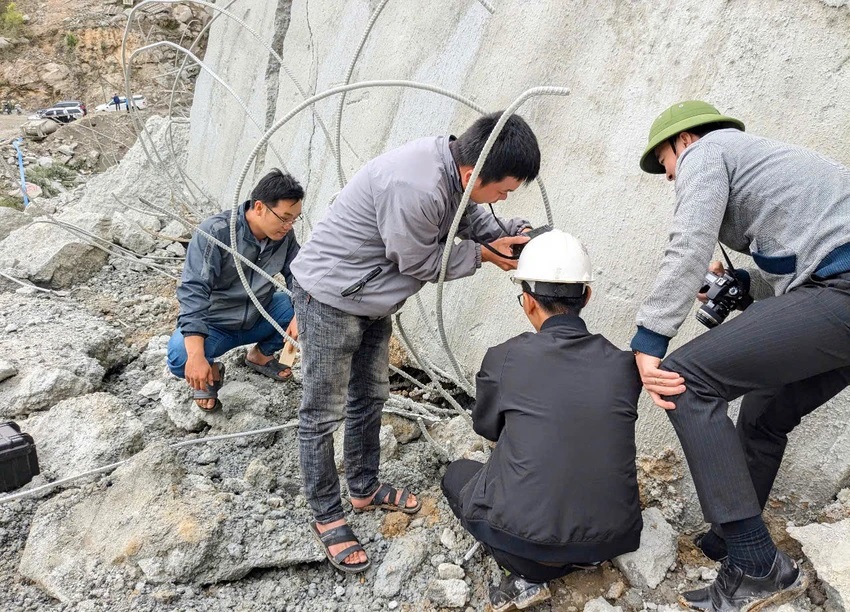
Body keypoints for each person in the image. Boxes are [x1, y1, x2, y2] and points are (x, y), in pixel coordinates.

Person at [290, 111, 540, 573]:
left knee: (370, 396)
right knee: (321, 413)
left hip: (368, 299)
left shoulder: (453, 170)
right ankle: (327, 514)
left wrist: (509, 234)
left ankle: (362, 488)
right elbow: (419, 261)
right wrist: (484, 255)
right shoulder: (416, 186)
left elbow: (471, 217)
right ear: (473, 173)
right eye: (503, 189)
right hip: (329, 297)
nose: (503, 198)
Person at [631, 100, 850, 611]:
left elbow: (688, 243)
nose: (670, 177)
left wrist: (650, 338)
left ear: (681, 141)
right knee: (764, 412)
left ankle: (757, 566)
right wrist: (743, 284)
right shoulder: (773, 173)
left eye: (663, 162)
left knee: (686, 380)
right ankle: (731, 541)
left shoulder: (706, 152)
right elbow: (805, 278)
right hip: (837, 294)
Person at [441, 230, 643, 611]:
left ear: (529, 302)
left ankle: (523, 577)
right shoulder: (623, 364)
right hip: (611, 539)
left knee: (456, 475)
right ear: (587, 295)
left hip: (527, 551)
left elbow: (488, 429)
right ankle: (576, 558)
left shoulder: (505, 357)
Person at [167, 169, 303, 410]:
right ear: (259, 207)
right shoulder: (216, 233)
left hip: (259, 314)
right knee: (181, 357)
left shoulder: (284, 235)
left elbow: (300, 275)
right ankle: (210, 370)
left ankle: (260, 356)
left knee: (307, 312)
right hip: (216, 324)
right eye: (284, 218)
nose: (288, 226)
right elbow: (193, 292)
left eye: (294, 219)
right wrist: (197, 355)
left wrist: (301, 315)